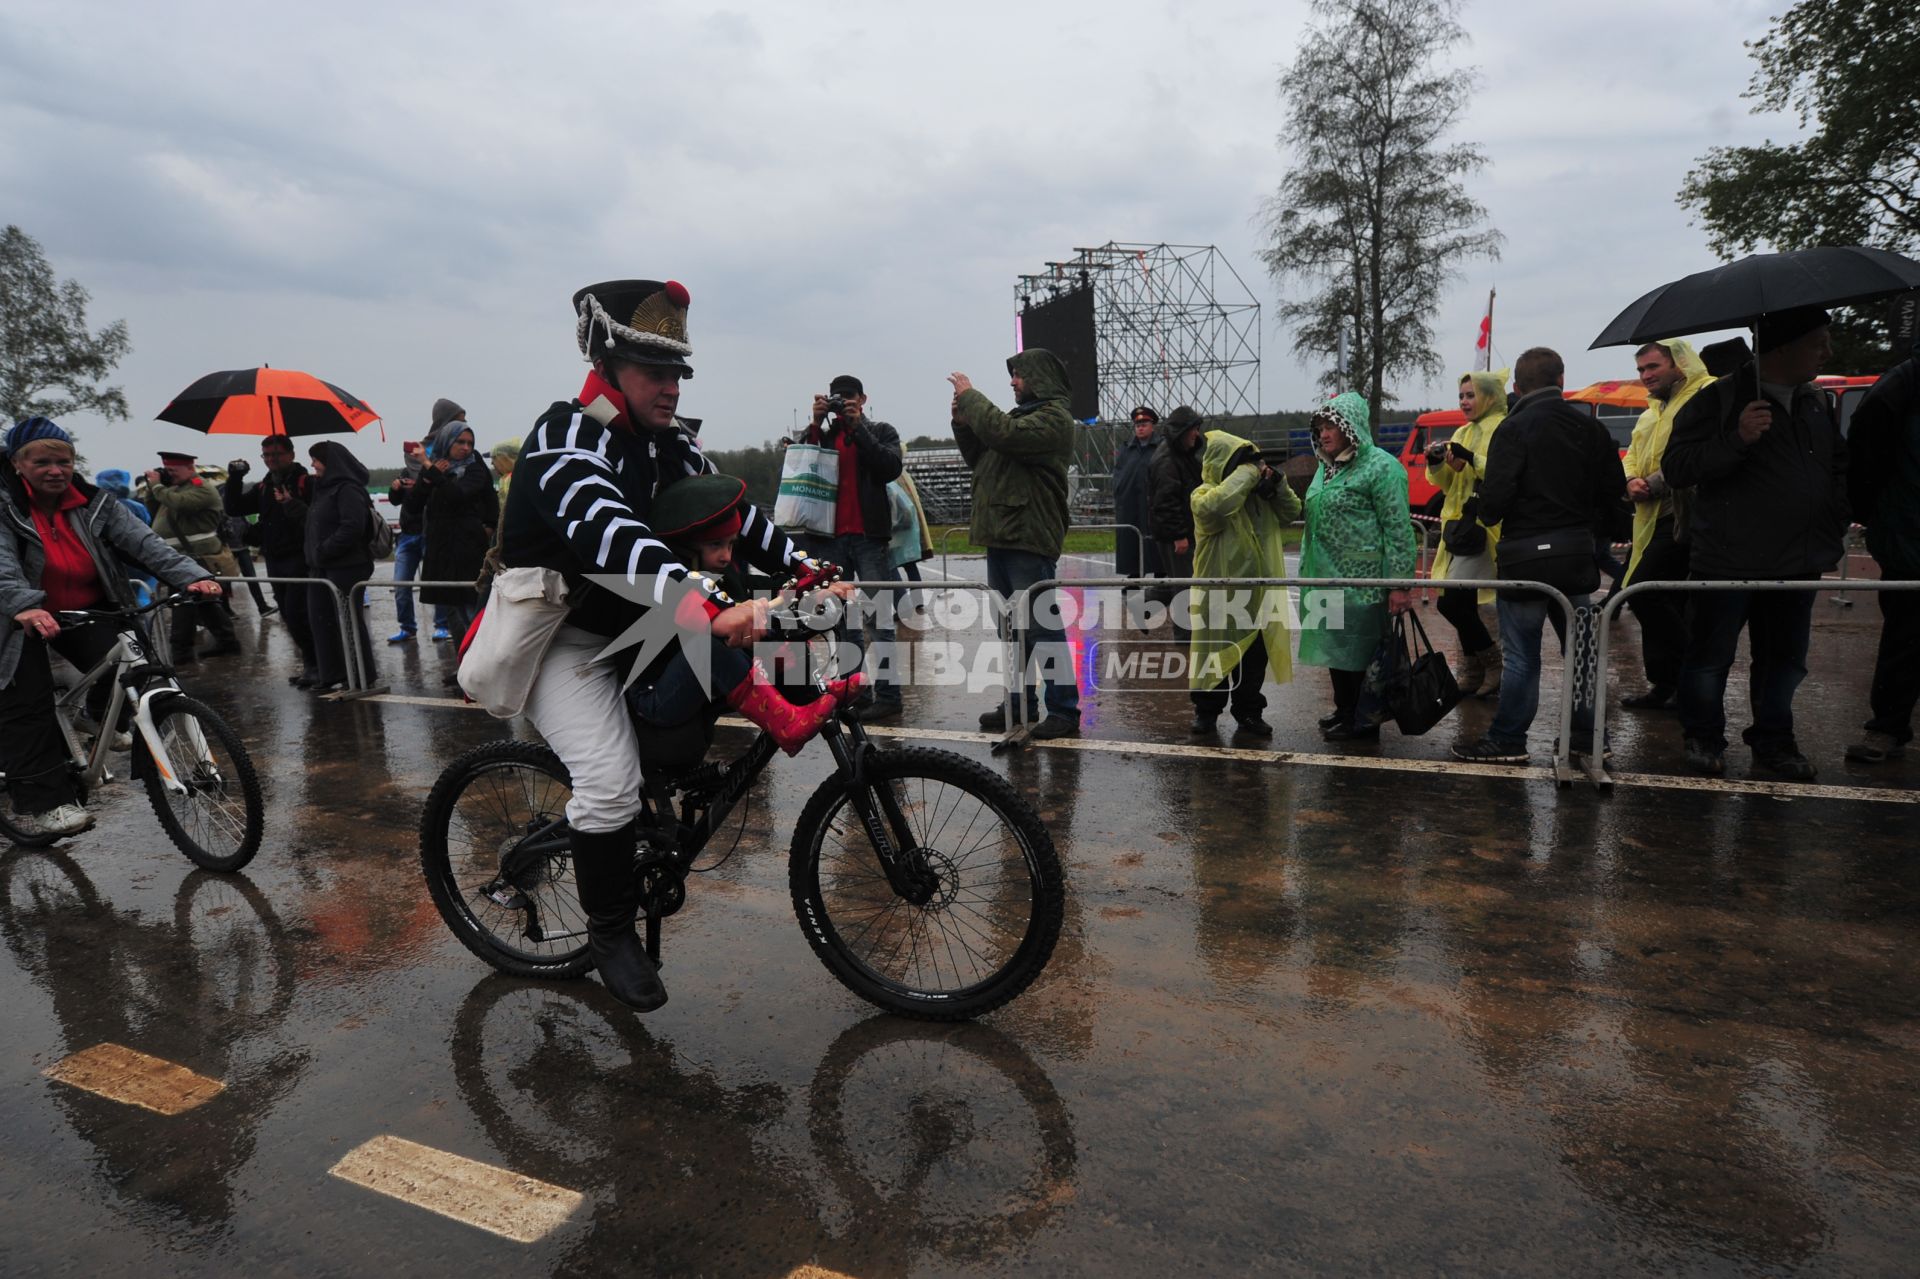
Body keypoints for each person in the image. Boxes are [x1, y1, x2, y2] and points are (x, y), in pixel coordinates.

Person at [495, 277, 846, 1012]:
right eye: (656, 371)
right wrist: (704, 601)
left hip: (634, 623)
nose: (672, 387)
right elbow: (607, 531)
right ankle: (610, 932)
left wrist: (803, 567)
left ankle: (665, 786)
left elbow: (732, 513)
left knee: (697, 713)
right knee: (608, 783)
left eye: (679, 373)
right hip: (563, 639)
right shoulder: (567, 435)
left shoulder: (667, 442)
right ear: (608, 364)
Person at [0, 418, 221, 838]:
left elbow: (145, 542)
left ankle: (98, 717)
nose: (55, 470)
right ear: (17, 464)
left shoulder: (92, 501)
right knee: (28, 705)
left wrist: (189, 575)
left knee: (138, 665)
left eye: (63, 461)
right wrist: (24, 607)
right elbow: (3, 567)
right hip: (15, 618)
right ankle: (48, 804)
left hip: (84, 608)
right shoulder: (4, 505)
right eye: (43, 462)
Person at [1663, 306, 1848, 779]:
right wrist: (1737, 438)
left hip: (1798, 561)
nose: (1828, 350)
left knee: (1784, 663)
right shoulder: (1718, 401)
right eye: (1818, 341)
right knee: (1709, 659)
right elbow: (1679, 467)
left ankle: (1775, 742)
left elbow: (1835, 469)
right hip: (1728, 561)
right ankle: (1703, 739)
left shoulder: (1815, 403)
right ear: (1782, 347)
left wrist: (1835, 517)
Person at [1453, 347, 1626, 764]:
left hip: (1524, 559)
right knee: (1580, 653)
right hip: (1575, 557)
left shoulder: (1512, 430)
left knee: (1522, 657)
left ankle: (1509, 740)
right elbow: (1614, 497)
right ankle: (1587, 738)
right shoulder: (1591, 429)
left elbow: (1494, 502)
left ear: (1516, 387)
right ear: (1561, 380)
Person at [949, 350, 1079, 739]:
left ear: (1038, 378)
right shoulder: (1021, 419)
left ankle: (1064, 710)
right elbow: (982, 456)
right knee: (1011, 630)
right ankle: (1020, 704)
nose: (1012, 382)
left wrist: (971, 398)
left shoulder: (1055, 419)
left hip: (1028, 536)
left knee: (1042, 627)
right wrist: (962, 423)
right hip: (1002, 534)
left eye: (1019, 375)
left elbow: (1004, 434)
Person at [1297, 392, 1415, 742]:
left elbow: (1398, 528)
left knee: (1362, 652)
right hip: (1326, 577)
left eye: (1331, 424)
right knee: (1336, 648)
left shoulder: (1381, 467)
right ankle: (1345, 709)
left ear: (1351, 426)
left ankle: (1365, 720)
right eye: (1320, 426)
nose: (1325, 433)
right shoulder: (1326, 467)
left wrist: (1399, 583)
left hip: (1364, 581)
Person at [786, 375, 905, 721]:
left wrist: (858, 427)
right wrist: (815, 422)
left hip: (868, 537)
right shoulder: (823, 435)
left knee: (877, 619)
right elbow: (800, 461)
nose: (842, 405)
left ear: (862, 399)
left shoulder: (880, 431)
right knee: (844, 622)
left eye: (848, 399)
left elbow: (889, 468)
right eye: (837, 400)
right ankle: (855, 691)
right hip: (831, 538)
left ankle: (888, 695)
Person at [1617, 339, 1714, 710]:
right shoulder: (1650, 411)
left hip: (1685, 518)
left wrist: (1654, 483)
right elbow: (1630, 456)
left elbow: (1698, 454)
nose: (1645, 376)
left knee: (1644, 592)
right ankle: (1665, 684)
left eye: (1653, 367)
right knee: (1663, 598)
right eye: (1641, 369)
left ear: (1679, 363)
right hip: (1650, 519)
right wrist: (1629, 481)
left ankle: (1691, 671)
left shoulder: (1704, 395)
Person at [1188, 429, 1300, 737]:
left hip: (1258, 592)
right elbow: (1217, 507)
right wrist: (1249, 472)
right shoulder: (1204, 494)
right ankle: (1206, 712)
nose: (1252, 468)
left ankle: (1249, 712)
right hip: (1219, 594)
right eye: (1242, 464)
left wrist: (1278, 484)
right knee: (1213, 654)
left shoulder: (1259, 496)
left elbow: (1292, 511)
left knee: (1253, 658)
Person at [1845, 350, 1920, 763]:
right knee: (1905, 637)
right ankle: (1888, 726)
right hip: (1910, 535)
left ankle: (1888, 727)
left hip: (1905, 529)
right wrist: (1874, 513)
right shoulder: (1903, 383)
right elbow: (1865, 454)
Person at [1428, 370, 1508, 697]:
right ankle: (1475, 672)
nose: (1464, 402)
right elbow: (1449, 483)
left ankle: (1492, 664)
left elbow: (1503, 474)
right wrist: (1437, 463)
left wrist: (1470, 457)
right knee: (1460, 602)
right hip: (1458, 528)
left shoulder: (1503, 428)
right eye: (1461, 395)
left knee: (1453, 603)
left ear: (1489, 396)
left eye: (1471, 395)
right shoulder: (1463, 430)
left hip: (1483, 529)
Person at [224, 433, 320, 686]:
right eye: (266, 455)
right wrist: (235, 477)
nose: (270, 460)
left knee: (299, 613)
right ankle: (311, 662)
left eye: (276, 454)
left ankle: (317, 664)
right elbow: (234, 508)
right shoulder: (265, 485)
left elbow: (316, 517)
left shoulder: (304, 482)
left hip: (300, 557)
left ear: (290, 454)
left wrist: (291, 502)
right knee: (288, 615)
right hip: (275, 558)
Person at [284, 439, 378, 693]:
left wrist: (324, 550)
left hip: (346, 566)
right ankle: (332, 673)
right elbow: (314, 522)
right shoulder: (322, 489)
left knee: (346, 622)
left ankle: (360, 674)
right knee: (321, 621)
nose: (312, 464)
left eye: (317, 459)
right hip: (321, 568)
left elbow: (352, 527)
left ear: (331, 462)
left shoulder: (348, 489)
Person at [142, 451, 241, 662]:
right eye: (167, 470)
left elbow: (181, 504)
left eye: (173, 470)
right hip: (181, 557)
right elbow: (153, 509)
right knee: (204, 603)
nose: (170, 475)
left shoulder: (201, 488)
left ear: (189, 468)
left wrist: (158, 486)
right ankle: (227, 642)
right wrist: (153, 488)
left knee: (183, 604)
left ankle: (181, 652)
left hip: (198, 556)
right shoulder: (173, 489)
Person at [405, 417, 497, 645]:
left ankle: (479, 668)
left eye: (470, 443)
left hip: (467, 548)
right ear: (447, 442)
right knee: (453, 611)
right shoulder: (438, 467)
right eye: (460, 442)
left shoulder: (475, 468)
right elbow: (413, 506)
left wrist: (430, 469)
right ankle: (463, 664)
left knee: (471, 610)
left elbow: (456, 495)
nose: (466, 448)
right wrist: (427, 477)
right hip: (442, 548)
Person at [390, 404, 462, 643]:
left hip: (432, 530)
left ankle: (441, 626)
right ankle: (407, 627)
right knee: (401, 584)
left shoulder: (453, 459)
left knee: (435, 582)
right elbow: (400, 501)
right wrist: (397, 489)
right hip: (409, 530)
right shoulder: (413, 463)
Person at [1148, 406, 1206, 604]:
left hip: (1185, 531)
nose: (1196, 434)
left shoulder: (1183, 455)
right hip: (1178, 536)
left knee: (1185, 583)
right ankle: (1184, 635)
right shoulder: (1167, 460)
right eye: (1193, 429)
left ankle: (1146, 600)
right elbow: (1165, 501)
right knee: (1185, 592)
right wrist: (1178, 535)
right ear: (1182, 430)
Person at [1113, 406, 1161, 580]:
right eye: (1137, 424)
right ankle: (1134, 575)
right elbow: (1119, 473)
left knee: (1155, 541)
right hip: (1130, 503)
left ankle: (1160, 577)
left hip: (1152, 503)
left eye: (1144, 423)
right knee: (1131, 541)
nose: (1140, 427)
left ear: (1152, 425)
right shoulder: (1127, 449)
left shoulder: (1160, 447)